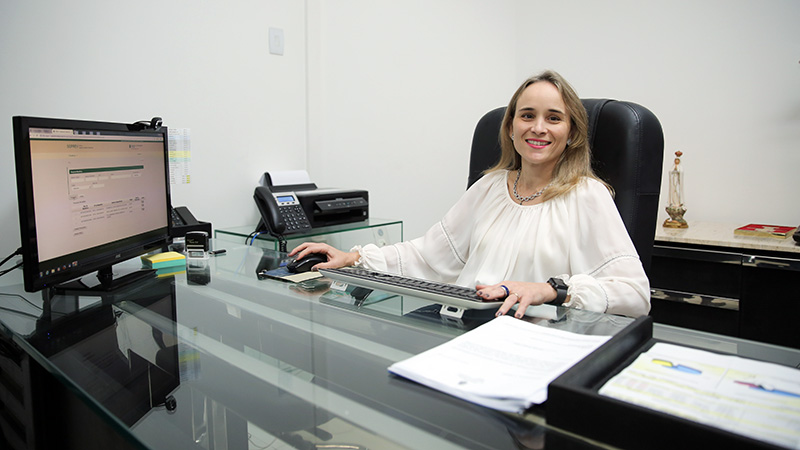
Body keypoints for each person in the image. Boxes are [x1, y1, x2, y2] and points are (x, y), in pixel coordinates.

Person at [290, 70, 650, 318]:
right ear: (510, 128)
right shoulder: (490, 187)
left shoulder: (587, 196)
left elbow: (634, 295)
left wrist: (550, 290)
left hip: (534, 345)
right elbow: (428, 256)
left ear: (572, 132)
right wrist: (353, 258)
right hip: (463, 327)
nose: (538, 128)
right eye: (527, 115)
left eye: (554, 118)